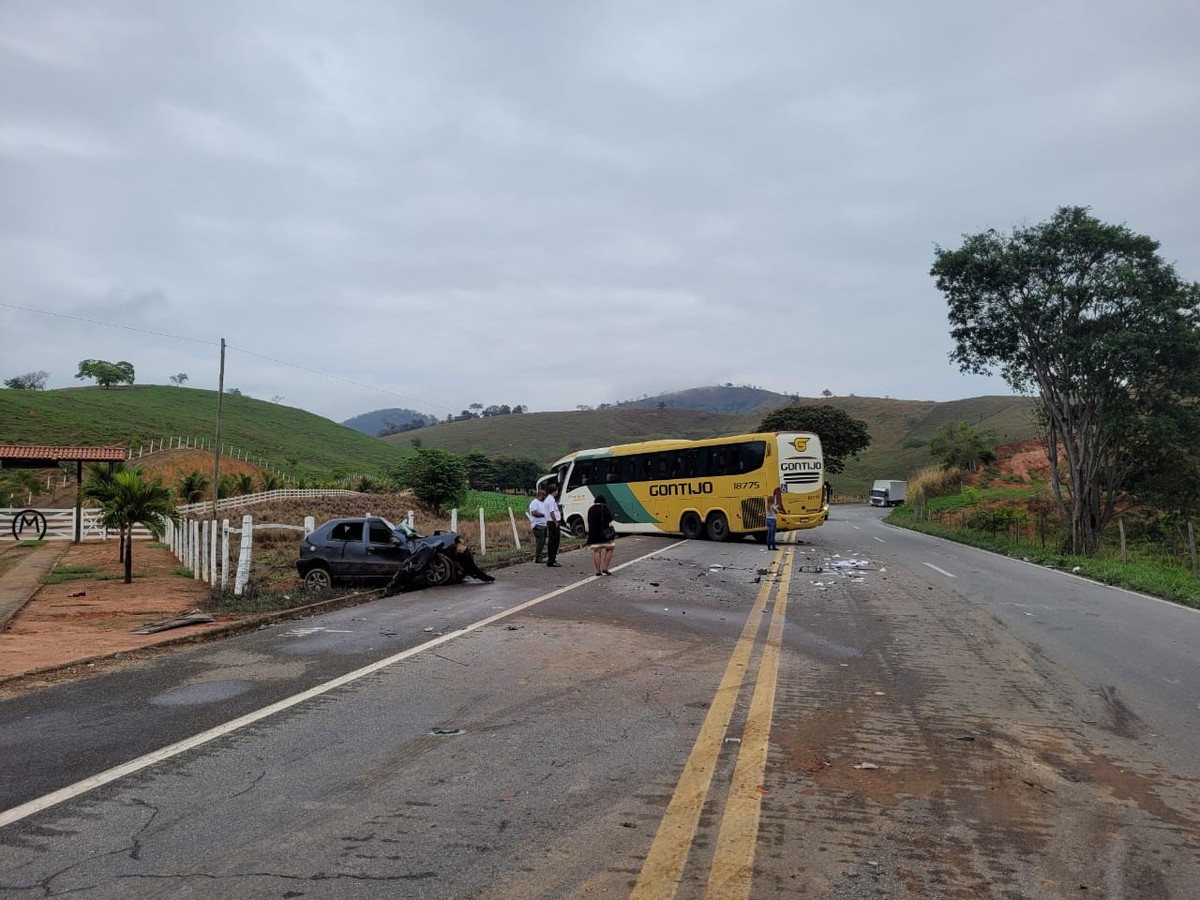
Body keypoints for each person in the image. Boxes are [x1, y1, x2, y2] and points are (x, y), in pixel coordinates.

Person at [586, 495, 616, 575]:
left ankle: (597, 571)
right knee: (610, 549)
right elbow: (610, 518)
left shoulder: (591, 509)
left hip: (594, 535)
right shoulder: (604, 508)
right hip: (605, 535)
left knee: (597, 551)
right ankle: (605, 568)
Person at [527, 488, 549, 563]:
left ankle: (540, 555)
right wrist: (544, 515)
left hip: (543, 525)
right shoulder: (534, 503)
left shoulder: (542, 503)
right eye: (544, 496)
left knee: (542, 542)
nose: (545, 497)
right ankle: (538, 558)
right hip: (537, 525)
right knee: (540, 541)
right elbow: (534, 513)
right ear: (540, 495)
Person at [543, 485, 562, 567]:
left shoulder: (548, 499)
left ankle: (551, 559)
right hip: (553, 522)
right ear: (554, 491)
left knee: (552, 541)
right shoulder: (550, 500)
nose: (557, 492)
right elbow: (551, 512)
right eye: (557, 491)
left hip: (550, 522)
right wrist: (556, 522)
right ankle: (551, 560)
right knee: (554, 541)